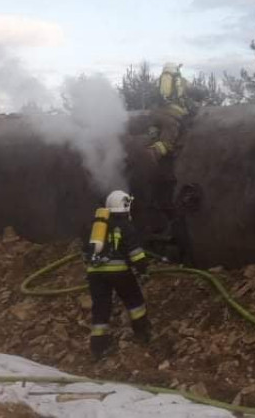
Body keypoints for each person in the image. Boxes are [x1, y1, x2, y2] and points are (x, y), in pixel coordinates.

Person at [82, 190, 151, 360]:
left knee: (101, 307)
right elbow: (135, 253)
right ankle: (143, 334)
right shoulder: (125, 225)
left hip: (95, 273)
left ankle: (98, 348)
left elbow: (86, 249)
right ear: (125, 205)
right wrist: (143, 269)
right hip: (119, 272)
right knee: (134, 302)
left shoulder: (96, 225)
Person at [148, 63, 191, 162]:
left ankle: (153, 134)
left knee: (155, 131)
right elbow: (194, 90)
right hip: (171, 115)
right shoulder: (181, 81)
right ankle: (152, 154)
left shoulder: (158, 81)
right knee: (167, 142)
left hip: (155, 114)